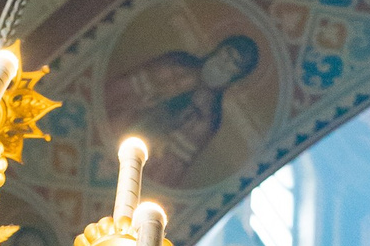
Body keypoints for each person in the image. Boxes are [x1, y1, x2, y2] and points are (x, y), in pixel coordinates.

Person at [107, 32, 262, 179]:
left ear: (238, 74)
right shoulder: (178, 62)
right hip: (113, 125)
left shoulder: (210, 116)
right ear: (219, 48)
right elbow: (121, 90)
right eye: (228, 53)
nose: (225, 62)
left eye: (235, 63)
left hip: (135, 163)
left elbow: (170, 167)